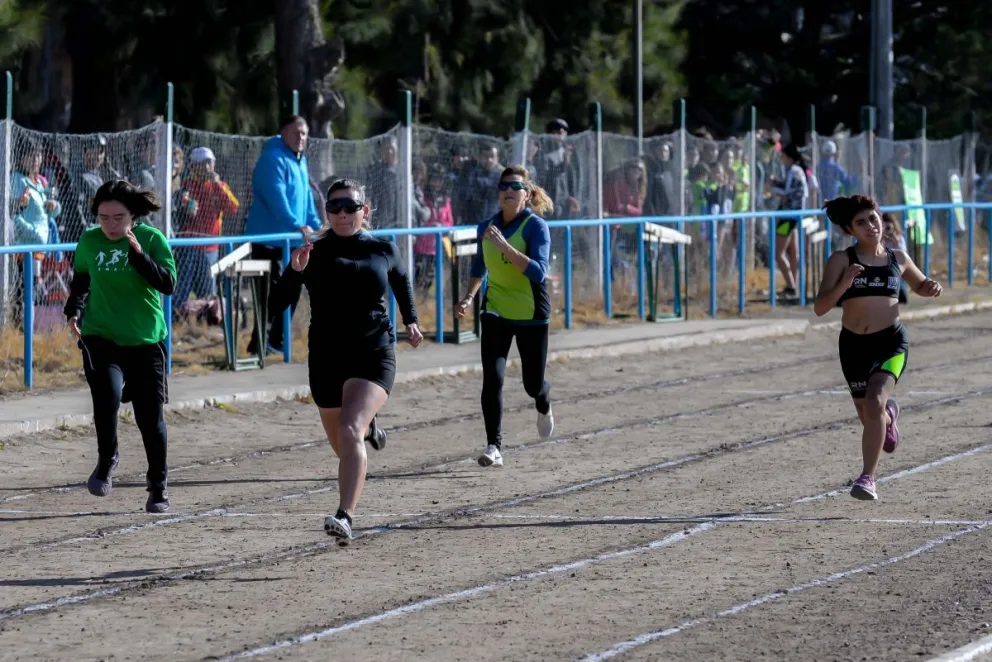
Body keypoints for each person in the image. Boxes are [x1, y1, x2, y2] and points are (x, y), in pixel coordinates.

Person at [272, 178, 423, 545]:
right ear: (327, 212)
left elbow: (401, 281)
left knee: (350, 429)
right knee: (344, 444)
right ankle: (370, 430)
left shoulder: (384, 249)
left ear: (364, 210)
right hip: (326, 356)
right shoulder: (314, 251)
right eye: (334, 208)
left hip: (374, 351)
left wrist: (411, 320)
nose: (342, 214)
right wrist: (293, 270)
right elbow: (277, 303)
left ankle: (345, 515)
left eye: (350, 207)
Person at [813, 195, 942, 501]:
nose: (871, 226)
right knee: (869, 413)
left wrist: (930, 287)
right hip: (853, 346)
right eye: (861, 223)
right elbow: (820, 307)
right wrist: (845, 283)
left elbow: (920, 285)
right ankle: (889, 417)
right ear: (850, 230)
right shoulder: (841, 260)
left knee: (874, 402)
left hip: (891, 343)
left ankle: (867, 478)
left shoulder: (898, 257)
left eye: (874, 218)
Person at [63, 180, 177, 513]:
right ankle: (107, 458)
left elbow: (168, 284)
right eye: (104, 218)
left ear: (133, 216)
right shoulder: (89, 241)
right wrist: (74, 311)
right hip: (101, 335)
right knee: (107, 395)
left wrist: (139, 257)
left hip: (145, 339)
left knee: (149, 418)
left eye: (118, 218)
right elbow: (82, 280)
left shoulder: (152, 239)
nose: (111, 225)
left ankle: (158, 486)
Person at [454, 165, 555, 468]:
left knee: (532, 384)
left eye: (515, 186)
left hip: (530, 314)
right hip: (495, 310)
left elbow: (538, 272)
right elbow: (479, 267)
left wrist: (505, 246)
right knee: (493, 379)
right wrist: (468, 297)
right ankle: (493, 446)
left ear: (527, 194)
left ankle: (543, 401)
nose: (509, 191)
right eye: (504, 186)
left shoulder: (536, 227)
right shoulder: (486, 227)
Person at [244, 115, 322, 356]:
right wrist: (296, 225)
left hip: (291, 242)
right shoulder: (272, 158)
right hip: (266, 241)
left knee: (292, 289)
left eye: (305, 133)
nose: (301, 137)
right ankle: (260, 343)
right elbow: (275, 196)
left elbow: (307, 200)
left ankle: (275, 341)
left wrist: (317, 226)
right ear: (283, 133)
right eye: (296, 132)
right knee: (269, 294)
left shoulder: (300, 160)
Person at [769, 143, 810, 300]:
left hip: (788, 217)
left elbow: (786, 191)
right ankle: (793, 285)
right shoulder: (796, 171)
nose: (781, 159)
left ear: (788, 158)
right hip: (793, 215)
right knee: (793, 252)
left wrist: (772, 185)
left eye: (783, 157)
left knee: (778, 253)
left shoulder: (794, 171)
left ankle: (791, 287)